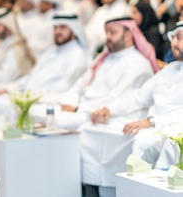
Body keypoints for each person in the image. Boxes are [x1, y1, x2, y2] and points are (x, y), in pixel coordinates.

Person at [80, 20, 183, 195]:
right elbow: (139, 97)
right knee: (101, 128)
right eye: (173, 38)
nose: (173, 43)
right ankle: (104, 188)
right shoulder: (170, 69)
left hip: (169, 130)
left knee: (144, 143)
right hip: (152, 128)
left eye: (179, 38)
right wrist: (110, 109)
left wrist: (153, 121)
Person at [55, 17, 158, 130]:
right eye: (106, 32)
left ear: (128, 35)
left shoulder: (138, 63)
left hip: (107, 114)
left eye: (113, 33)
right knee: (45, 112)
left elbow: (116, 98)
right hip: (84, 108)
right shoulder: (103, 58)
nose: (108, 37)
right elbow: (80, 84)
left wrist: (78, 108)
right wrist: (70, 102)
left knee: (56, 120)